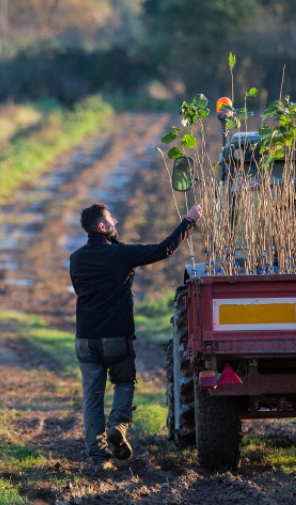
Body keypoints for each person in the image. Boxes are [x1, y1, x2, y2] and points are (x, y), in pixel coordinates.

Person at [69, 201, 204, 471]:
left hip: (85, 338)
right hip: (115, 335)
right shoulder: (120, 254)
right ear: (101, 226)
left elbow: (80, 290)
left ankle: (98, 458)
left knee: (92, 395)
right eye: (110, 220)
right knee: (124, 382)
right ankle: (118, 424)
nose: (115, 222)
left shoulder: (76, 258)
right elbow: (163, 249)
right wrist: (189, 222)